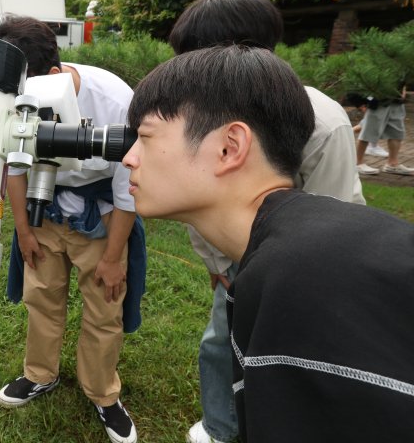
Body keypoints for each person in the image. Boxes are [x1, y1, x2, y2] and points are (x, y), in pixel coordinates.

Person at [123, 44, 414, 442]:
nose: (128, 158)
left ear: (229, 147)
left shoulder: (304, 279)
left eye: (145, 136)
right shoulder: (281, 256)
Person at [167, 0, 366, 443]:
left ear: (248, 53)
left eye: (198, 60)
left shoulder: (320, 120)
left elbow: (332, 214)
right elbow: (194, 199)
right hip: (239, 257)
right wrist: (220, 266)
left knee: (300, 353)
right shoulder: (199, 118)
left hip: (317, 267)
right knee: (221, 342)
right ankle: (220, 425)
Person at [0, 16, 145, 443]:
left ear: (54, 76)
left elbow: (127, 184)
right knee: (40, 296)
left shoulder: (114, 99)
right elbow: (15, 162)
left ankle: (102, 393)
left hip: (102, 212)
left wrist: (114, 257)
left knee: (104, 305)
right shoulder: (12, 93)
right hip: (44, 207)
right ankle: (39, 374)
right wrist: (23, 231)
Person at [355, 86, 412, 176]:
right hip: (378, 101)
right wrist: (363, 102)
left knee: (397, 133)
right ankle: (358, 163)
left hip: (396, 100)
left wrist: (403, 89)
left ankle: (392, 164)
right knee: (368, 132)